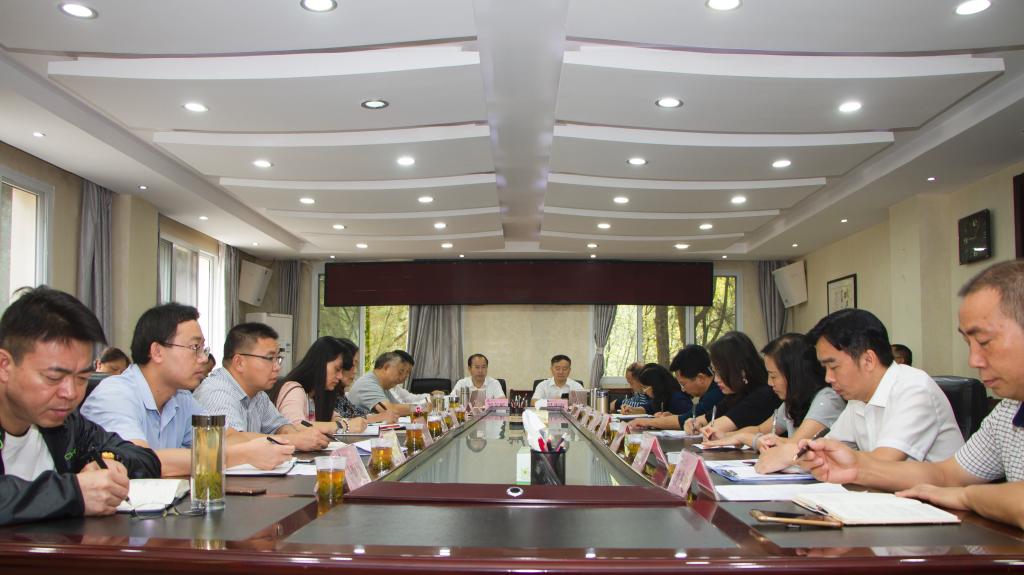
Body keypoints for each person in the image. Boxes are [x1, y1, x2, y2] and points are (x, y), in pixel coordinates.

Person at [799, 260, 1024, 530]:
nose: (973, 360)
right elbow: (947, 474)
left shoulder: (913, 386)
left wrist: (966, 496)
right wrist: (857, 467)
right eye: (969, 344)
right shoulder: (1008, 410)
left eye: (984, 342)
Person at [0, 286, 160, 525]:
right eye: (53, 377)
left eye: (82, 378)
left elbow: (146, 460)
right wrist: (74, 492)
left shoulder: (68, 424)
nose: (71, 393)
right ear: (4, 365)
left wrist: (108, 464)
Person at [82, 304, 295, 476]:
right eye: (195, 348)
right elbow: (139, 461)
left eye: (203, 349)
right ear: (157, 351)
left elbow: (225, 437)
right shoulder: (115, 395)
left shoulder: (180, 397)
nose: (203, 359)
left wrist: (279, 443)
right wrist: (242, 454)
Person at [808, 308, 962, 462]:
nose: (828, 378)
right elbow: (826, 450)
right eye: (825, 368)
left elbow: (883, 463)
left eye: (833, 367)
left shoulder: (915, 389)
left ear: (868, 360)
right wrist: (807, 454)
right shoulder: (857, 400)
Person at [703, 333, 846, 473]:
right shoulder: (792, 401)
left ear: (794, 374)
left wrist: (742, 437)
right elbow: (760, 429)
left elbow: (794, 445)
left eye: (773, 376)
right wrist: (725, 436)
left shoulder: (827, 399)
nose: (769, 383)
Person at [193, 323, 331, 450]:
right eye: (270, 358)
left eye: (278, 358)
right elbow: (228, 440)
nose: (277, 367)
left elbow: (280, 426)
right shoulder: (216, 392)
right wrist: (293, 440)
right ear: (239, 362)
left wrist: (296, 435)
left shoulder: (258, 394)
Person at [686, 331, 780, 438]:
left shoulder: (764, 395)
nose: (716, 379)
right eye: (714, 372)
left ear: (741, 371)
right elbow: (703, 420)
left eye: (720, 372)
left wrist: (703, 426)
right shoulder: (737, 393)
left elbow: (714, 428)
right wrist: (693, 423)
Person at [268, 336, 368, 434]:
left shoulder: (318, 395)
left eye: (342, 371)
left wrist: (339, 420)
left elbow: (333, 417)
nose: (340, 376)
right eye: (337, 369)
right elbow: (295, 427)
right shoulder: (294, 389)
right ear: (320, 364)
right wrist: (344, 425)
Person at [626, 345, 722, 432]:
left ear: (700, 378)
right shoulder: (710, 392)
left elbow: (686, 419)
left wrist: (646, 422)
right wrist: (673, 417)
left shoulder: (716, 394)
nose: (683, 389)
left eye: (683, 384)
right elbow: (691, 417)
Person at [332, 339, 399, 424]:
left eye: (356, 365)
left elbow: (354, 413)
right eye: (352, 365)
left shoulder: (339, 393)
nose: (355, 371)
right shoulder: (367, 383)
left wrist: (381, 416)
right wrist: (379, 417)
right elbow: (340, 422)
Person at [347, 350, 418, 416]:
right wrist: (420, 408)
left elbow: (400, 409)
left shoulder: (382, 386)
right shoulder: (367, 384)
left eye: (407, 374)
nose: (403, 378)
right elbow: (390, 410)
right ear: (386, 367)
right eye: (400, 372)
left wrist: (418, 410)